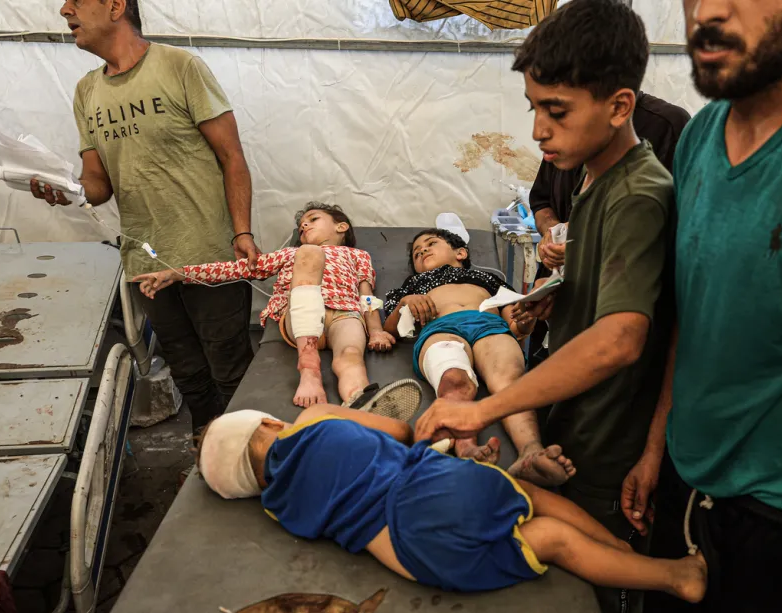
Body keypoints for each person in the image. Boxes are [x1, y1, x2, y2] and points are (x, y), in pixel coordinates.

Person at [414, 2, 676, 611]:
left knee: (602, 576)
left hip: (611, 441)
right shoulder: (591, 179)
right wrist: (552, 302)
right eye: (533, 108)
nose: (537, 131)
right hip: (576, 421)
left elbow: (622, 339)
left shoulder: (638, 194)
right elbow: (608, 294)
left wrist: (486, 410)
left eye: (556, 111)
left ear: (619, 106)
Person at [642, 1, 782, 612]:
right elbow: (695, 316)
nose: (707, 11)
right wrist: (658, 446)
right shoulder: (700, 136)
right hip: (687, 486)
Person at [194, 407, 708, 602]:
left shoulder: (277, 508)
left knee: (548, 542)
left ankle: (673, 578)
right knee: (533, 499)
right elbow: (399, 431)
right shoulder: (311, 421)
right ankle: (625, 549)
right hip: (428, 485)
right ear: (269, 423)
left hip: (407, 550)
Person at [32, 0, 258, 434]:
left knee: (231, 369)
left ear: (116, 6)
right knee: (187, 371)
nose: (64, 10)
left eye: (77, 1)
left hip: (209, 253)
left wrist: (242, 232)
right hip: (145, 260)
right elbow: (98, 183)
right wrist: (67, 189)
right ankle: (206, 450)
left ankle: (253, 454)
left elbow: (232, 156)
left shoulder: (179, 67)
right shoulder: (86, 91)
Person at [134, 203, 412, 415]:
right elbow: (234, 269)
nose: (304, 227)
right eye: (301, 226)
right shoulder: (292, 252)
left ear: (341, 227)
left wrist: (376, 330)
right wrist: (178, 273)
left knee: (351, 355)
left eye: (313, 219)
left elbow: (366, 295)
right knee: (309, 254)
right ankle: (309, 370)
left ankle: (360, 400)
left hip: (344, 314)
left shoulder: (358, 255)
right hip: (301, 320)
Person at [381, 228, 576, 486]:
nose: (423, 251)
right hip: (441, 329)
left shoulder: (488, 278)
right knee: (454, 380)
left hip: (490, 327)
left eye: (431, 244)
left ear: (461, 253)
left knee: (510, 381)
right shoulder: (412, 285)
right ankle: (466, 448)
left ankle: (531, 452)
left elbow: (516, 327)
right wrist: (407, 302)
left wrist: (527, 318)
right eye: (417, 253)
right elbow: (391, 329)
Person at [531, 91, 691, 272]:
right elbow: (541, 201)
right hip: (559, 281)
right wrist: (552, 233)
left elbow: (674, 224)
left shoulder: (669, 126)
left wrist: (587, 241)